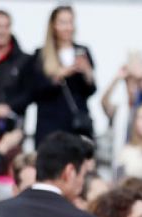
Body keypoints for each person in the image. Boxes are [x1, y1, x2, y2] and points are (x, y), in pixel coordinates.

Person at [12, 6, 97, 145]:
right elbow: (34, 92)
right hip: (50, 126)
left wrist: (87, 72)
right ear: (53, 26)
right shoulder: (41, 55)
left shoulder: (82, 51)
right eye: (63, 22)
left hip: (77, 126)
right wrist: (59, 75)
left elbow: (90, 91)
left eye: (70, 22)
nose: (68, 27)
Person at [0, 9, 29, 134]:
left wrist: (10, 106)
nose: (2, 31)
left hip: (12, 127)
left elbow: (29, 92)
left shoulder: (24, 60)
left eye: (6, 26)